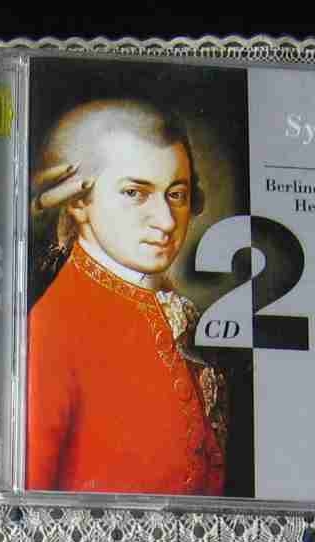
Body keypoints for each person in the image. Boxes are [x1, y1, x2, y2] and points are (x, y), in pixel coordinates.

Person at [25, 98, 227, 496]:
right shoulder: (52, 330)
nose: (166, 221)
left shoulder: (171, 308)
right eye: (135, 193)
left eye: (176, 194)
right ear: (79, 201)